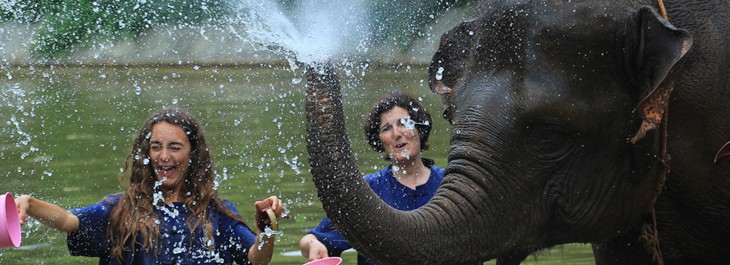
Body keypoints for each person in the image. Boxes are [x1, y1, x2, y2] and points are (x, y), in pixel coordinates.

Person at [15, 107, 285, 265]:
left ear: (193, 156)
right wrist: (30, 203)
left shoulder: (217, 213)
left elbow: (256, 259)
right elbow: (67, 221)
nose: (164, 157)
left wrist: (267, 230)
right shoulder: (120, 210)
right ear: (146, 153)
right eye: (156, 147)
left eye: (175, 148)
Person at [299, 91, 442, 265]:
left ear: (419, 129)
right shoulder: (368, 190)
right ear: (379, 140)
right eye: (386, 128)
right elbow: (310, 240)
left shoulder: (452, 183)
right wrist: (314, 245)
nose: (396, 134)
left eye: (404, 123)